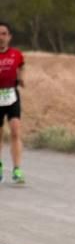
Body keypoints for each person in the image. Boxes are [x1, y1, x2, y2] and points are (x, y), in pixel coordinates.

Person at [0, 21, 26, 184]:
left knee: (15, 131)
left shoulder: (16, 54)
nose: (1, 37)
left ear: (9, 37)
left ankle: (17, 169)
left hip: (11, 95)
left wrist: (21, 78)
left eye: (4, 34)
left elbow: (21, 66)